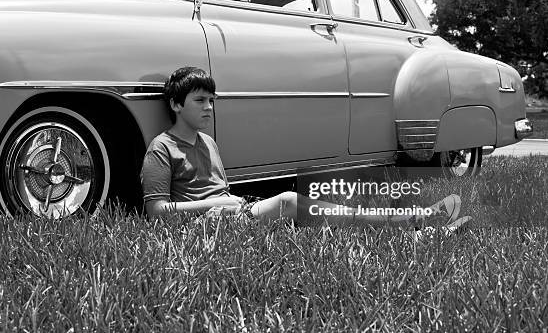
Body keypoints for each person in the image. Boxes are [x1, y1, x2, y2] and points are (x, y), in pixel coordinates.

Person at [141, 66, 470, 229]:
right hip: (204, 224)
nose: (209, 108)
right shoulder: (162, 148)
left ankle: (407, 224)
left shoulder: (208, 142)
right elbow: (155, 212)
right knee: (290, 202)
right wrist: (217, 202)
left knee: (319, 214)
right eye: (200, 100)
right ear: (176, 104)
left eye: (212, 101)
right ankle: (407, 222)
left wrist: (226, 201)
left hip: (230, 211)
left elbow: (222, 191)